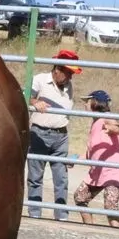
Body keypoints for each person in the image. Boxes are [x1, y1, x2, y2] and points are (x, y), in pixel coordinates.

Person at [26, 49, 81, 221]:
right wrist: (35, 102)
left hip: (61, 135)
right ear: (57, 69)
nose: (70, 77)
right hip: (39, 133)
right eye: (68, 73)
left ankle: (61, 215)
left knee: (61, 178)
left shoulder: (68, 86)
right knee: (35, 176)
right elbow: (26, 96)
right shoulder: (40, 80)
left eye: (72, 74)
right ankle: (35, 213)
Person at [72, 90, 119, 228]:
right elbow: (91, 153)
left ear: (95, 102)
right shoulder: (95, 123)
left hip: (113, 169)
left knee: (110, 205)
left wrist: (113, 128)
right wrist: (75, 159)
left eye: (87, 101)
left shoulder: (105, 117)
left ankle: (117, 234)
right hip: (98, 171)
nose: (85, 105)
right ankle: (89, 228)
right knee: (80, 197)